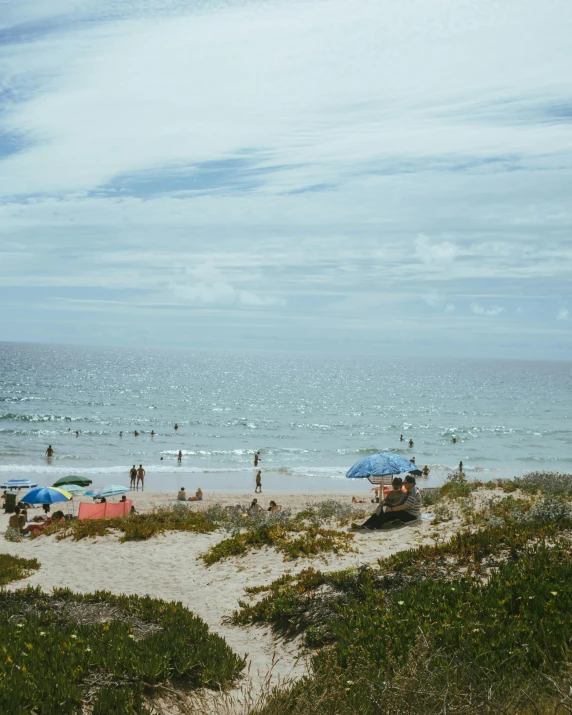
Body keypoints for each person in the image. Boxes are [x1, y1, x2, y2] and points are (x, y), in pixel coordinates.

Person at [353, 475, 421, 530]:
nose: (404, 485)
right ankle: (364, 525)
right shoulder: (408, 492)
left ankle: (374, 526)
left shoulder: (414, 493)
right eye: (404, 483)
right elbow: (400, 502)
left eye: (405, 483)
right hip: (406, 512)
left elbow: (405, 506)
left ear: (411, 483)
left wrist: (391, 509)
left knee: (387, 512)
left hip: (411, 515)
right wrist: (390, 506)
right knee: (382, 511)